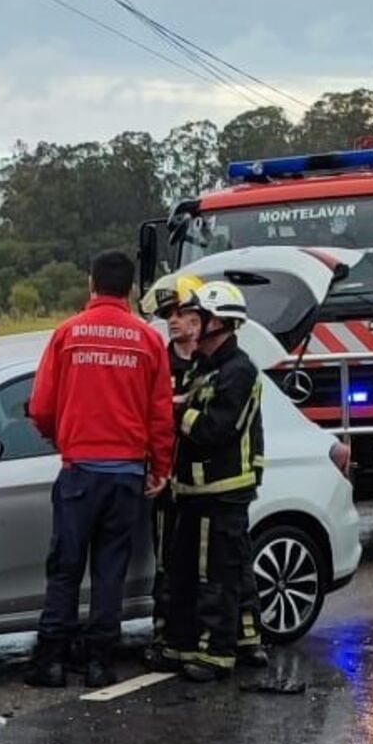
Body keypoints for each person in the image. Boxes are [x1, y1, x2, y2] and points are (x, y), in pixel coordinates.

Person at [26, 251, 175, 688]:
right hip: (127, 475)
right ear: (130, 289)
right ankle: (99, 663)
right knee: (111, 571)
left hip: (79, 473)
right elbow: (160, 416)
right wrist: (159, 467)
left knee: (66, 568)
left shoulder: (67, 334)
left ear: (91, 284)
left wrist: (62, 438)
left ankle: (51, 661)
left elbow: (41, 407)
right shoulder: (147, 340)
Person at [163, 280, 265, 683]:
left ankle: (217, 654)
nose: (188, 323)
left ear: (216, 321)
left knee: (217, 577)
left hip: (223, 492)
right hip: (192, 492)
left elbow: (215, 430)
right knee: (190, 572)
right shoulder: (204, 368)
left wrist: (174, 414)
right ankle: (193, 644)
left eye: (196, 316)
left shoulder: (239, 371)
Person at [137, 273, 204, 672]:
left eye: (181, 313)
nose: (174, 321)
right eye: (168, 315)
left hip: (207, 484)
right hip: (166, 482)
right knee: (167, 564)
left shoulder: (213, 362)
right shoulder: (158, 359)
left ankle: (206, 637)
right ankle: (166, 637)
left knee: (206, 566)